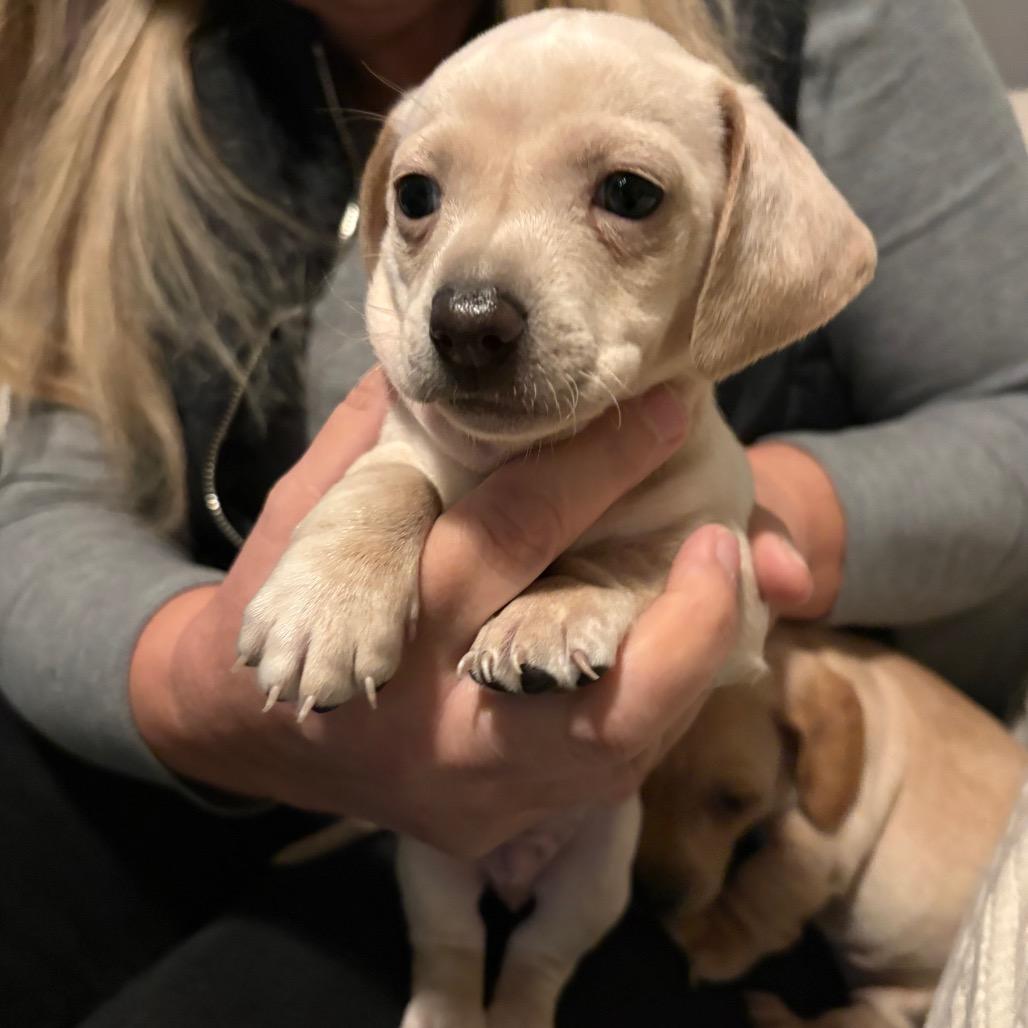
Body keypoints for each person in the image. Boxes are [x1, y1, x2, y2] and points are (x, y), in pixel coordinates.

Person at [0, 0, 1025, 1025]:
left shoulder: (807, 29)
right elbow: (35, 500)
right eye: (419, 196)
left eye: (624, 195)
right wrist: (195, 691)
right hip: (223, 736)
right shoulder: (139, 70)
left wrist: (671, 542)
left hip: (640, 793)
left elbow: (1009, 412)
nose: (469, 303)